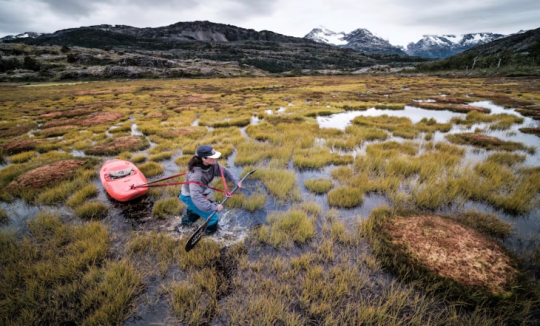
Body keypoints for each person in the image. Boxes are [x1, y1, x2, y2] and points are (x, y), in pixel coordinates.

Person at [179, 145, 242, 234]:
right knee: (213, 218)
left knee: (194, 212)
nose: (215, 159)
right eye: (212, 157)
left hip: (199, 193)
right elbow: (195, 196)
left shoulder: (212, 164)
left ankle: (184, 226)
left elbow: (225, 172)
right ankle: (209, 235)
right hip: (189, 196)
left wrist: (236, 181)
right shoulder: (196, 175)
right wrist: (213, 207)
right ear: (203, 158)